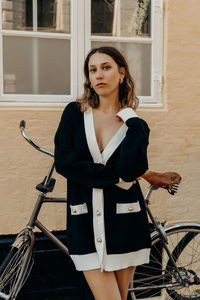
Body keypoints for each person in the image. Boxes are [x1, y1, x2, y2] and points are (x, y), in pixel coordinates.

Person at [54, 46, 181, 300]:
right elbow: (65, 163)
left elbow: (131, 169)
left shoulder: (135, 125)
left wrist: (133, 121)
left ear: (121, 73)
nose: (98, 75)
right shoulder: (75, 113)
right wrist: (115, 176)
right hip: (84, 223)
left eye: (106, 67)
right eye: (92, 70)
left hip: (126, 223)